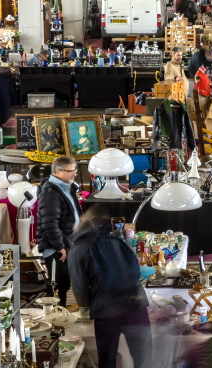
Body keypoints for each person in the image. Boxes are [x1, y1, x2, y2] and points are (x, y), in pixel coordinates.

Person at [68, 205, 151, 368]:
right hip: (137, 305)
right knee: (144, 359)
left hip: (107, 312)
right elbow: (135, 269)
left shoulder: (77, 250)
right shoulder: (116, 241)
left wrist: (88, 306)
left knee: (107, 360)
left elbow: (81, 289)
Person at [37, 156, 83, 307]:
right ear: (58, 171)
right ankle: (55, 322)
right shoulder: (50, 192)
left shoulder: (65, 187)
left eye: (75, 170)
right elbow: (49, 223)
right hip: (56, 246)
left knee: (63, 283)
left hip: (66, 242)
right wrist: (59, 247)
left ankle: (59, 317)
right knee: (57, 286)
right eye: (71, 171)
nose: (74, 174)